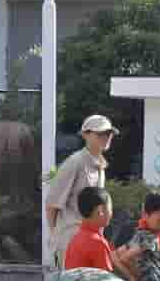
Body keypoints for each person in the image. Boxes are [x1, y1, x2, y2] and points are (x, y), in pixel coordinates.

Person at [45, 114, 116, 267]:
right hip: (71, 240)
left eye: (109, 133)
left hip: (92, 239)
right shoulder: (75, 162)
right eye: (100, 133)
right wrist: (56, 237)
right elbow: (52, 204)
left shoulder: (99, 165)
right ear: (85, 135)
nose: (106, 137)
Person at [61, 186, 118, 274]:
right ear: (100, 210)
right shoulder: (97, 243)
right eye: (110, 209)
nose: (111, 213)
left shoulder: (76, 238)